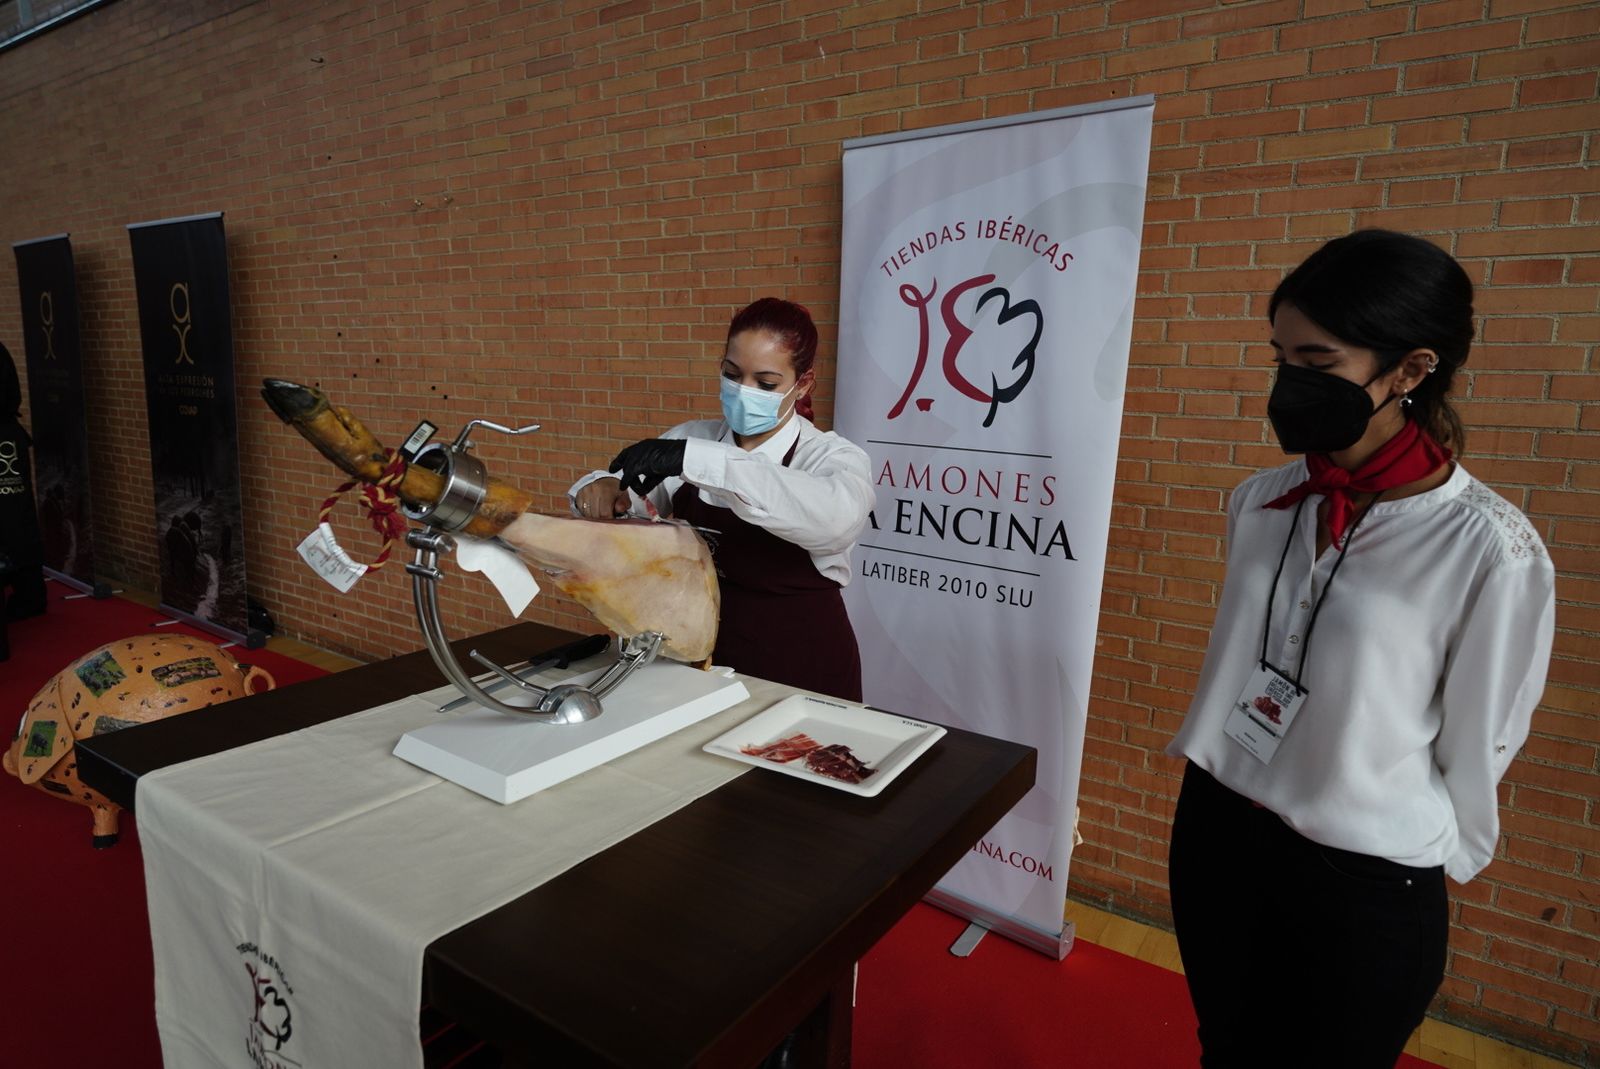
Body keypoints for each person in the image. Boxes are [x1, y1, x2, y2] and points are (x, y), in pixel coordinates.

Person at [1164, 230, 1555, 1069]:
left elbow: (1489, 729)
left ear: (1411, 370)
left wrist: (1402, 839)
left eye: (1318, 360)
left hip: (1359, 873)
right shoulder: (1262, 501)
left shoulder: (1490, 548)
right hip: (1220, 831)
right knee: (1226, 1049)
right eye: (1280, 356)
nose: (1288, 384)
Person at [570, 297, 874, 701]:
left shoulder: (830, 458)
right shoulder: (694, 437)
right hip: (701, 656)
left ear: (803, 384)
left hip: (801, 662)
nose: (744, 392)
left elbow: (834, 521)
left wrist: (699, 461)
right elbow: (626, 497)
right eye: (732, 375)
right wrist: (603, 489)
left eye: (765, 384)